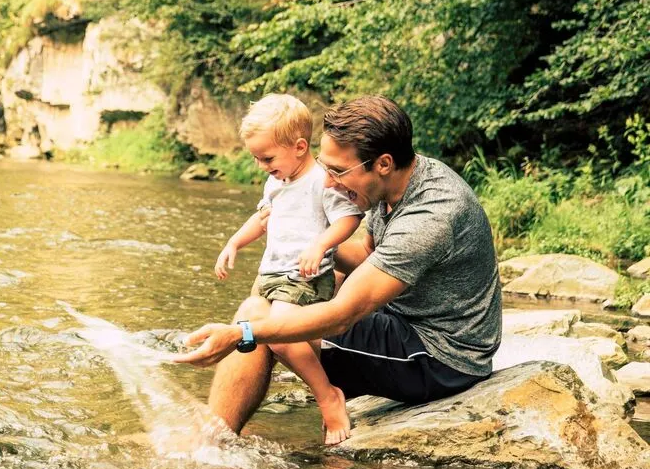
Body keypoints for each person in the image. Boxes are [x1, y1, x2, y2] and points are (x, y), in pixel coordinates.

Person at [174, 95, 503, 443]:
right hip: (405, 316)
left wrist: (241, 335)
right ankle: (216, 434)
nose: (328, 183)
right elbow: (367, 254)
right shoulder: (394, 185)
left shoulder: (431, 216)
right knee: (271, 299)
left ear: (383, 163)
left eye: (338, 171)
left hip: (439, 356)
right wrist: (301, 242)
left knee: (256, 322)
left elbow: (343, 315)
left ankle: (211, 442)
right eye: (324, 166)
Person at [213, 94, 363, 444]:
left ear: (298, 146)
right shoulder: (276, 182)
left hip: (305, 277)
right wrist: (234, 243)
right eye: (256, 158)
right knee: (273, 338)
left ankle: (328, 396)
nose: (262, 165)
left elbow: (349, 218)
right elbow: (262, 219)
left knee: (276, 337)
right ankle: (230, 422)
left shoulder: (320, 180)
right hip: (271, 274)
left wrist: (321, 244)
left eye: (267, 157)